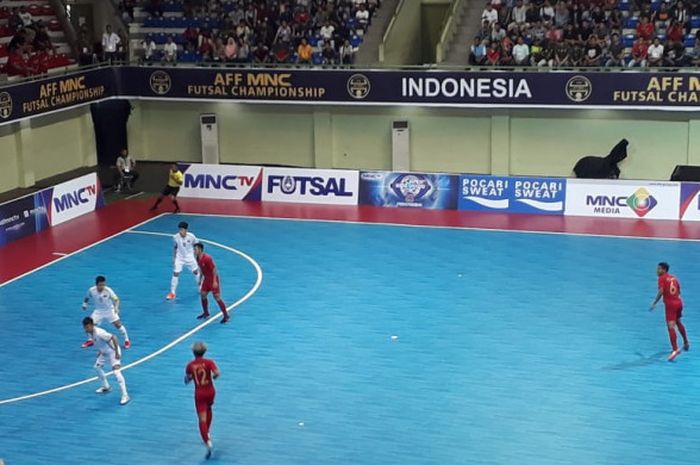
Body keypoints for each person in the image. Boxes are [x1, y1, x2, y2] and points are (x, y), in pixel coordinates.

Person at [83, 316, 130, 405]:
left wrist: (116, 352)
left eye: (87, 327)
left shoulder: (100, 333)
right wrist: (99, 351)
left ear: (91, 325)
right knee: (97, 367)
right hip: (104, 353)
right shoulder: (90, 333)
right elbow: (98, 343)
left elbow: (114, 337)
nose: (85, 329)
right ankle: (106, 386)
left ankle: (125, 395)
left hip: (112, 351)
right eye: (84, 327)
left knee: (116, 372)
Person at [185, 341, 220, 459]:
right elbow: (217, 373)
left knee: (201, 420)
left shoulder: (190, 365)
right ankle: (208, 432)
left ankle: (208, 442)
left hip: (199, 393)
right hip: (210, 391)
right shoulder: (209, 362)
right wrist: (214, 376)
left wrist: (188, 378)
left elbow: (187, 379)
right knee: (209, 408)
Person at [650, 262, 690, 361]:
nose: (657, 271)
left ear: (664, 270)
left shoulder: (661, 278)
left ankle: (675, 349)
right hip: (679, 302)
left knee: (670, 326)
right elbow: (679, 290)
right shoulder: (674, 278)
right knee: (678, 321)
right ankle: (686, 342)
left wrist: (655, 302)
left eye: (659, 269)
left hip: (670, 305)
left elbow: (661, 291)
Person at [81, 276, 131, 349]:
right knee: (90, 325)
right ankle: (90, 340)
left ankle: (126, 340)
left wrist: (116, 308)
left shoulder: (108, 290)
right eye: (100, 285)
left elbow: (117, 300)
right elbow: (87, 297)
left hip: (109, 310)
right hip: (98, 311)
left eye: (103, 285)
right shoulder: (91, 290)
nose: (102, 286)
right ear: (96, 284)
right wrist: (84, 304)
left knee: (118, 325)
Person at [194, 243, 230, 323]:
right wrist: (200, 279)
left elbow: (214, 270)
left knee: (217, 297)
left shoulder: (207, 258)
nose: (194, 251)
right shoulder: (197, 258)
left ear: (200, 249)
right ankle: (206, 313)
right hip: (206, 280)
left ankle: (226, 316)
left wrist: (214, 281)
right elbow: (202, 269)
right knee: (203, 295)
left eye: (195, 249)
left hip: (212, 280)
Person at [168, 221, 200, 300]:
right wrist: (174, 257)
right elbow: (175, 247)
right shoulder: (175, 237)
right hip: (180, 258)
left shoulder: (191, 236)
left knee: (196, 272)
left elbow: (196, 245)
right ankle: (172, 293)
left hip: (190, 257)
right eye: (180, 229)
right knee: (176, 273)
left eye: (182, 229)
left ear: (186, 230)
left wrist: (198, 256)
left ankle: (201, 287)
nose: (180, 231)